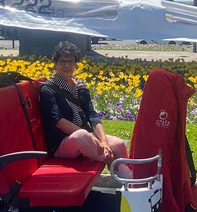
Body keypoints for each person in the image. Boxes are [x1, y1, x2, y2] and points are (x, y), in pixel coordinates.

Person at [39, 41, 132, 178]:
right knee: (82, 136)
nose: (67, 66)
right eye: (62, 62)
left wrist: (104, 141)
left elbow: (92, 116)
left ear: (76, 64)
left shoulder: (80, 87)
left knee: (117, 144)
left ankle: (126, 180)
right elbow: (58, 121)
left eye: (70, 62)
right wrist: (92, 139)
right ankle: (128, 177)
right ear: (55, 63)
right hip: (62, 143)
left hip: (86, 137)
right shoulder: (48, 90)